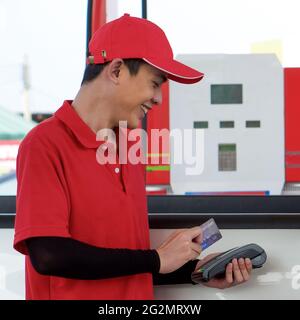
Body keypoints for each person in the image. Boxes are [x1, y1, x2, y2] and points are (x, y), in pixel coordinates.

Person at [13, 13, 252, 300]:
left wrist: (193, 271)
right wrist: (157, 259)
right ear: (116, 71)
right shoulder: (44, 144)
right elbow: (49, 255)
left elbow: (126, 260)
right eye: (155, 83)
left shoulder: (131, 147)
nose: (159, 98)